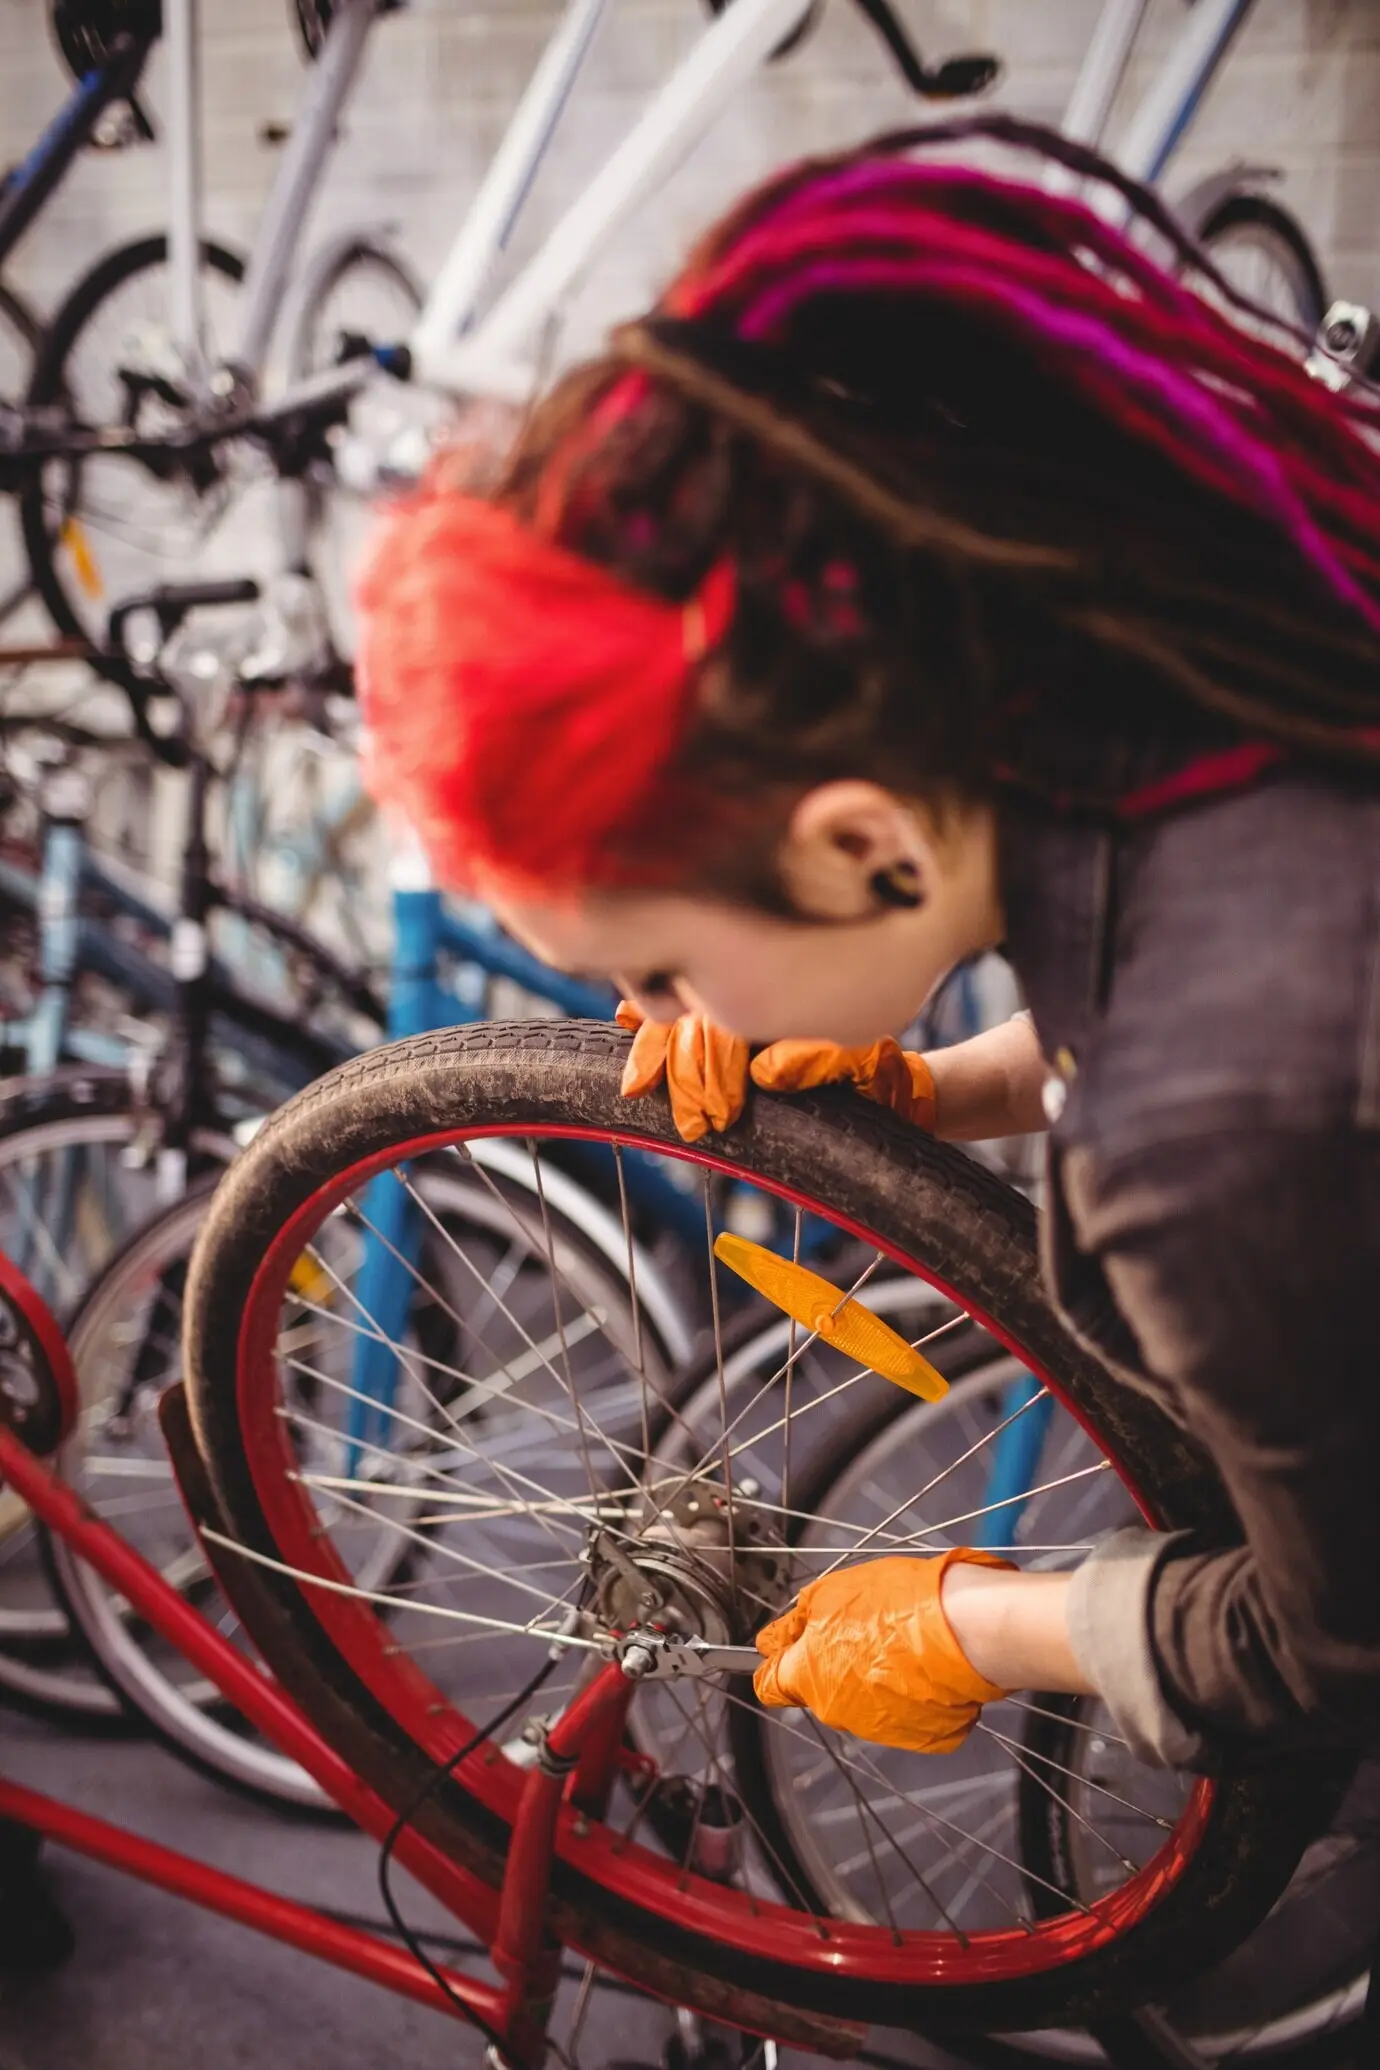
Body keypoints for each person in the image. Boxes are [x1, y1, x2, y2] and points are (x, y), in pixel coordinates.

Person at [354, 115, 1380, 1784]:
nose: (644, 1014)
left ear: (861, 847)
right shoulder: (1174, 670)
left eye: (662, 967)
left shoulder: (1205, 1137)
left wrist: (986, 1625)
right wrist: (944, 1087)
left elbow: (1345, 1638)